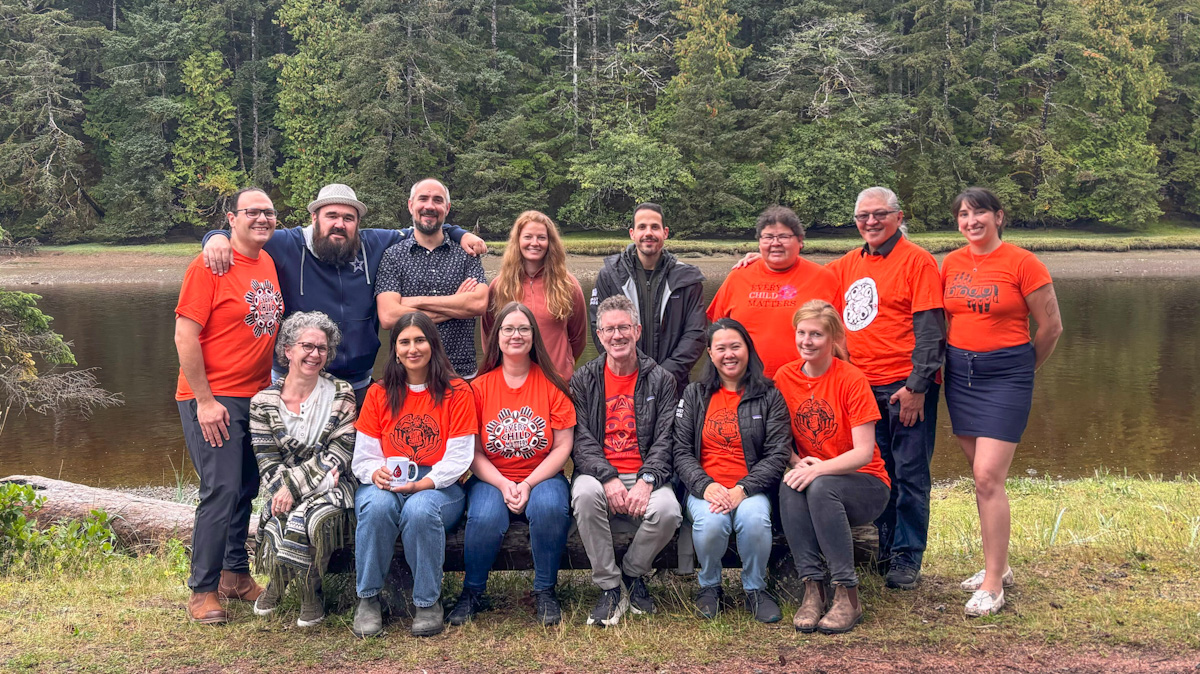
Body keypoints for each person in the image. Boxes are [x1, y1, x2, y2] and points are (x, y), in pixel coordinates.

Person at [201, 183, 485, 406]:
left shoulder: (375, 243)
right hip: (298, 381)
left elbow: (426, 225)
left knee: (353, 466)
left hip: (357, 383)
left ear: (357, 222)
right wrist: (215, 236)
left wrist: (459, 233)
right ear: (314, 217)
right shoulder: (286, 244)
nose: (340, 224)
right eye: (331, 216)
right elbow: (248, 232)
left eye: (348, 218)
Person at [941, 188, 1063, 617]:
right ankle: (1000, 566)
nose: (970, 221)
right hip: (960, 373)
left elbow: (1050, 327)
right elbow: (945, 318)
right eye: (962, 215)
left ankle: (993, 586)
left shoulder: (1023, 262)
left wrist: (1022, 370)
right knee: (981, 478)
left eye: (978, 214)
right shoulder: (951, 263)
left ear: (998, 216)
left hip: (1007, 373)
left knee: (989, 476)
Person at [825, 186, 945, 590]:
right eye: (862, 217)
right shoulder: (848, 264)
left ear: (898, 216)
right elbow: (802, 280)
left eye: (879, 214)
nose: (870, 223)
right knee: (877, 472)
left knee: (910, 472)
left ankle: (907, 557)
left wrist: (918, 386)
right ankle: (884, 546)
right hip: (860, 387)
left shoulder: (917, 262)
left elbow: (931, 331)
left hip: (903, 387)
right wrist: (757, 259)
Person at [174, 187, 284, 624]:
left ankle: (235, 573)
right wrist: (205, 401)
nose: (262, 218)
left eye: (269, 213)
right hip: (213, 398)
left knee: (246, 487)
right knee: (219, 490)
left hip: (256, 396)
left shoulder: (268, 261)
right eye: (252, 212)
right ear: (231, 218)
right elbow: (185, 336)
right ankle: (202, 591)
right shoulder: (209, 266)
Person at [348, 312, 478, 638]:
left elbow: (460, 457)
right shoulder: (379, 393)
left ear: (432, 344)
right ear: (395, 350)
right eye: (404, 342)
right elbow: (363, 455)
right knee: (376, 507)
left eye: (420, 340)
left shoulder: (457, 391)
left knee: (420, 510)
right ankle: (368, 599)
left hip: (440, 483)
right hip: (388, 478)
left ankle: (427, 602)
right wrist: (373, 473)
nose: (412, 348)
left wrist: (421, 484)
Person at [448, 302, 576, 627]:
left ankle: (545, 590)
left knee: (549, 509)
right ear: (497, 336)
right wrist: (505, 484)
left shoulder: (553, 384)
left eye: (523, 328)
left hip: (544, 475)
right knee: (486, 516)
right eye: (508, 329)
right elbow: (473, 453)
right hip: (491, 476)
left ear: (534, 336)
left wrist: (529, 483)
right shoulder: (477, 388)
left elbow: (563, 446)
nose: (515, 335)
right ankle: (472, 591)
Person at [775, 300, 891, 634]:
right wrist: (799, 464)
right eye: (801, 333)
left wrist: (818, 469)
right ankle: (813, 588)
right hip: (816, 479)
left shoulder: (851, 379)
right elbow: (780, 441)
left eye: (816, 334)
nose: (807, 341)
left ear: (833, 338)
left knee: (818, 485)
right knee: (791, 483)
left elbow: (864, 453)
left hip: (866, 484)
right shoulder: (785, 377)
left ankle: (847, 593)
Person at [570, 295, 683, 627]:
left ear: (637, 330)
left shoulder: (661, 379)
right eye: (609, 329)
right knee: (584, 495)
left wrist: (648, 479)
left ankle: (632, 574)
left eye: (623, 328)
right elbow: (581, 441)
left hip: (646, 471)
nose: (616, 336)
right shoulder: (585, 378)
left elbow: (667, 439)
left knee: (668, 511)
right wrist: (608, 477)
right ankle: (608, 586)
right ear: (599, 335)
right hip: (600, 472)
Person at [672, 318, 791, 623]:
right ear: (710, 354)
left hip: (749, 488)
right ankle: (710, 587)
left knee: (754, 519)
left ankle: (755, 588)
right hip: (706, 488)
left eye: (736, 346)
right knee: (711, 523)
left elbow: (777, 453)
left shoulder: (769, 396)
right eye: (721, 348)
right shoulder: (695, 394)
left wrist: (743, 489)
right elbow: (681, 451)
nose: (729, 354)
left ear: (748, 349)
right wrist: (705, 485)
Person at [249, 312, 356, 628]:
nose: (315, 354)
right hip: (286, 486)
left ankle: (302, 587)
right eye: (307, 346)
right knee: (289, 512)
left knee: (308, 516)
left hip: (336, 486)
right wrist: (289, 489)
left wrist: (294, 489)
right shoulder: (262, 402)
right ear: (287, 350)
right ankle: (305, 588)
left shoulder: (341, 393)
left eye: (322, 348)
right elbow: (267, 462)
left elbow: (340, 453)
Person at [707, 206, 842, 378]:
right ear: (759, 242)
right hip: (747, 383)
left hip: (805, 383)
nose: (775, 243)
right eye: (768, 237)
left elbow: (840, 338)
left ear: (800, 240)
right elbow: (718, 333)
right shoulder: (738, 276)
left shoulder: (824, 279)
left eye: (784, 236)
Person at [590, 202, 707, 396]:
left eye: (655, 227)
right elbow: (599, 327)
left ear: (665, 232)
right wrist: (627, 370)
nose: (648, 233)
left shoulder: (687, 279)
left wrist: (663, 376)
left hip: (673, 385)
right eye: (642, 227)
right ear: (632, 233)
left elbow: (695, 334)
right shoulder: (610, 275)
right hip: (623, 384)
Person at [376, 179, 490, 378]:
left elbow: (478, 304)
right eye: (423, 199)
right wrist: (457, 306)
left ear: (447, 208)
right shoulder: (393, 256)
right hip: (408, 376)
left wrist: (413, 302)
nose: (429, 206)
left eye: (437, 200)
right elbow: (388, 316)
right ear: (411, 205)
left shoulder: (467, 253)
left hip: (460, 373)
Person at [482, 211, 587, 380]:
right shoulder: (499, 286)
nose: (534, 243)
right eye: (528, 237)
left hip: (557, 382)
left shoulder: (568, 285)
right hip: (513, 382)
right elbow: (489, 337)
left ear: (550, 242)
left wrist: (563, 364)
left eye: (541, 238)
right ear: (518, 241)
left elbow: (578, 338)